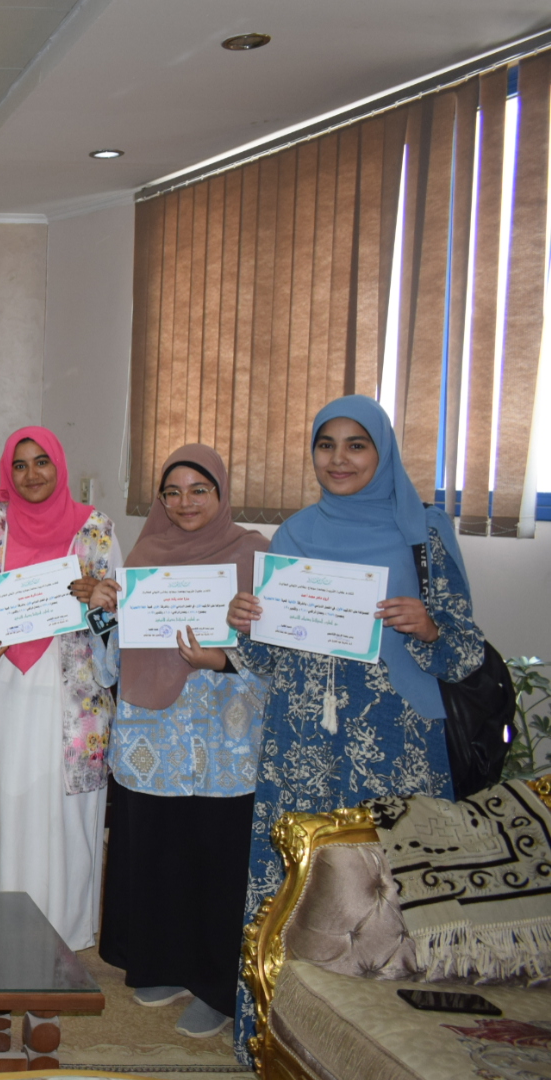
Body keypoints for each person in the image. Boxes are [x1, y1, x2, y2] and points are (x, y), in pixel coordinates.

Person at [227, 395, 485, 1057]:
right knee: (298, 885)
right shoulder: (293, 534)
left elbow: (465, 652)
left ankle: (389, 1050)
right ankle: (279, 1041)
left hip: (394, 738)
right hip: (300, 742)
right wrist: (246, 624)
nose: (338, 459)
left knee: (386, 890)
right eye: (326, 445)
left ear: (383, 452)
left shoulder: (423, 534)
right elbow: (268, 660)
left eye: (356, 445)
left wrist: (428, 627)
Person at [90, 444, 269, 1039]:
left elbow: (282, 647)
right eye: (172, 492)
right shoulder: (145, 555)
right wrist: (104, 611)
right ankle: (163, 963)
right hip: (155, 735)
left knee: (217, 854)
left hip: (223, 733)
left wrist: (224, 659)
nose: (184, 503)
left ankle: (217, 987)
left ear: (221, 492)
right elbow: (115, 657)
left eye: (198, 490)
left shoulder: (255, 555)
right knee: (161, 847)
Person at [0, 426, 117, 950]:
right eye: (19, 464)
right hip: (2, 689)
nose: (31, 474)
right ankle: (7, 932)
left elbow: (118, 626)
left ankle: (63, 939)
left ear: (59, 465)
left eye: (42, 461)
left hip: (71, 699)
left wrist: (102, 601)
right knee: (8, 807)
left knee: (64, 818)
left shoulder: (96, 529)